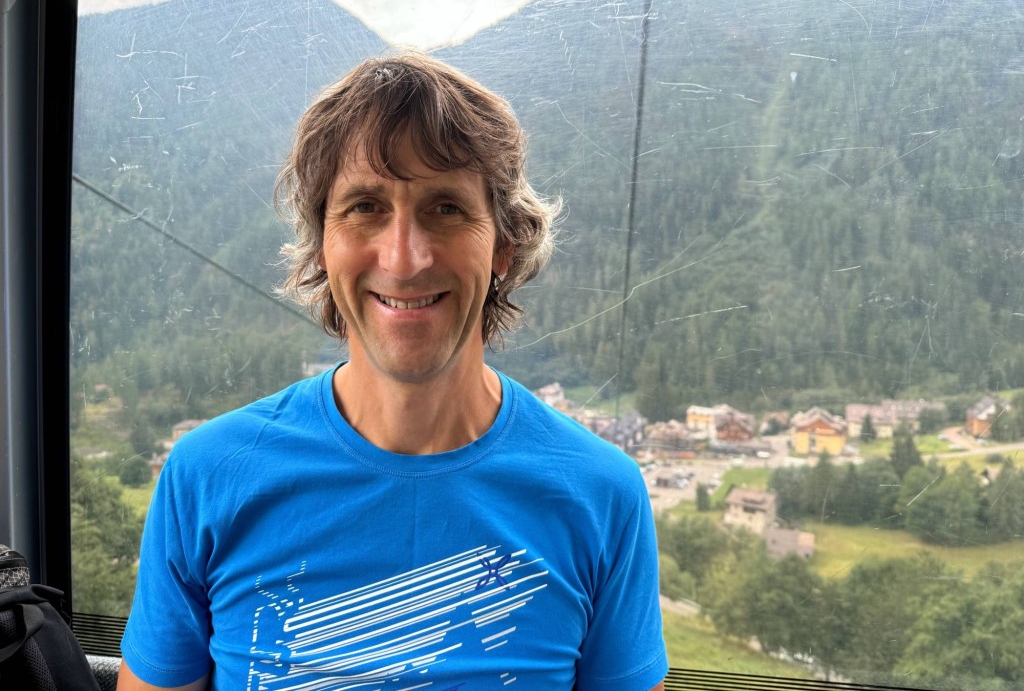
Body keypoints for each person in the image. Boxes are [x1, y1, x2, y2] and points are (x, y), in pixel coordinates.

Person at [117, 53, 668, 691]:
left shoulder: (601, 496)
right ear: (322, 246)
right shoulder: (209, 477)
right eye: (365, 207)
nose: (405, 260)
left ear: (504, 245)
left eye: (446, 208)